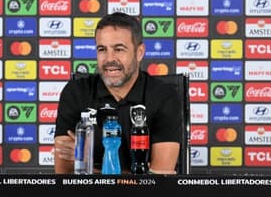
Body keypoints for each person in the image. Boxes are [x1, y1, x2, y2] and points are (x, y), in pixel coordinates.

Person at [53, 12, 181, 174]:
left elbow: (159, 179)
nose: (109, 59)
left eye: (119, 49)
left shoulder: (164, 96)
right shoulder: (75, 92)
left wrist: (87, 166)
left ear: (139, 52)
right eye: (102, 49)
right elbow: (64, 175)